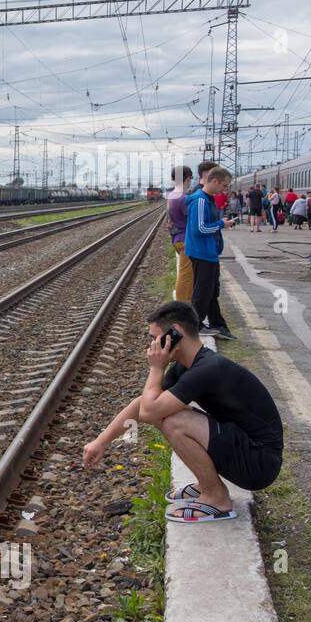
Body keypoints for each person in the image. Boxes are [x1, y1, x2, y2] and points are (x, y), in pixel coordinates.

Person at [83, 302, 283, 521]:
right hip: (248, 449)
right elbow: (142, 404)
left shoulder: (207, 369)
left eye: (155, 337)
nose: (152, 345)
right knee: (167, 411)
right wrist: (101, 441)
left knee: (173, 420)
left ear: (175, 333)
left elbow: (150, 412)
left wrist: (156, 368)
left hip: (260, 462)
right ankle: (206, 484)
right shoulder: (190, 364)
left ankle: (216, 498)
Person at [186, 165, 238, 340]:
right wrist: (222, 224)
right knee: (202, 292)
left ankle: (217, 324)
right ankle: (195, 325)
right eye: (224, 186)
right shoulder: (200, 200)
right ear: (214, 181)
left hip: (208, 251)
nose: (225, 190)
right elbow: (198, 228)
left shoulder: (207, 199)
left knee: (211, 291)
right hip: (201, 251)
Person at [166, 164, 194, 302]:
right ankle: (182, 306)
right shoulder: (183, 198)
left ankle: (184, 302)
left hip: (177, 238)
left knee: (185, 274)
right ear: (188, 178)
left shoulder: (172, 195)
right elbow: (192, 220)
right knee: (186, 276)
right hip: (185, 240)